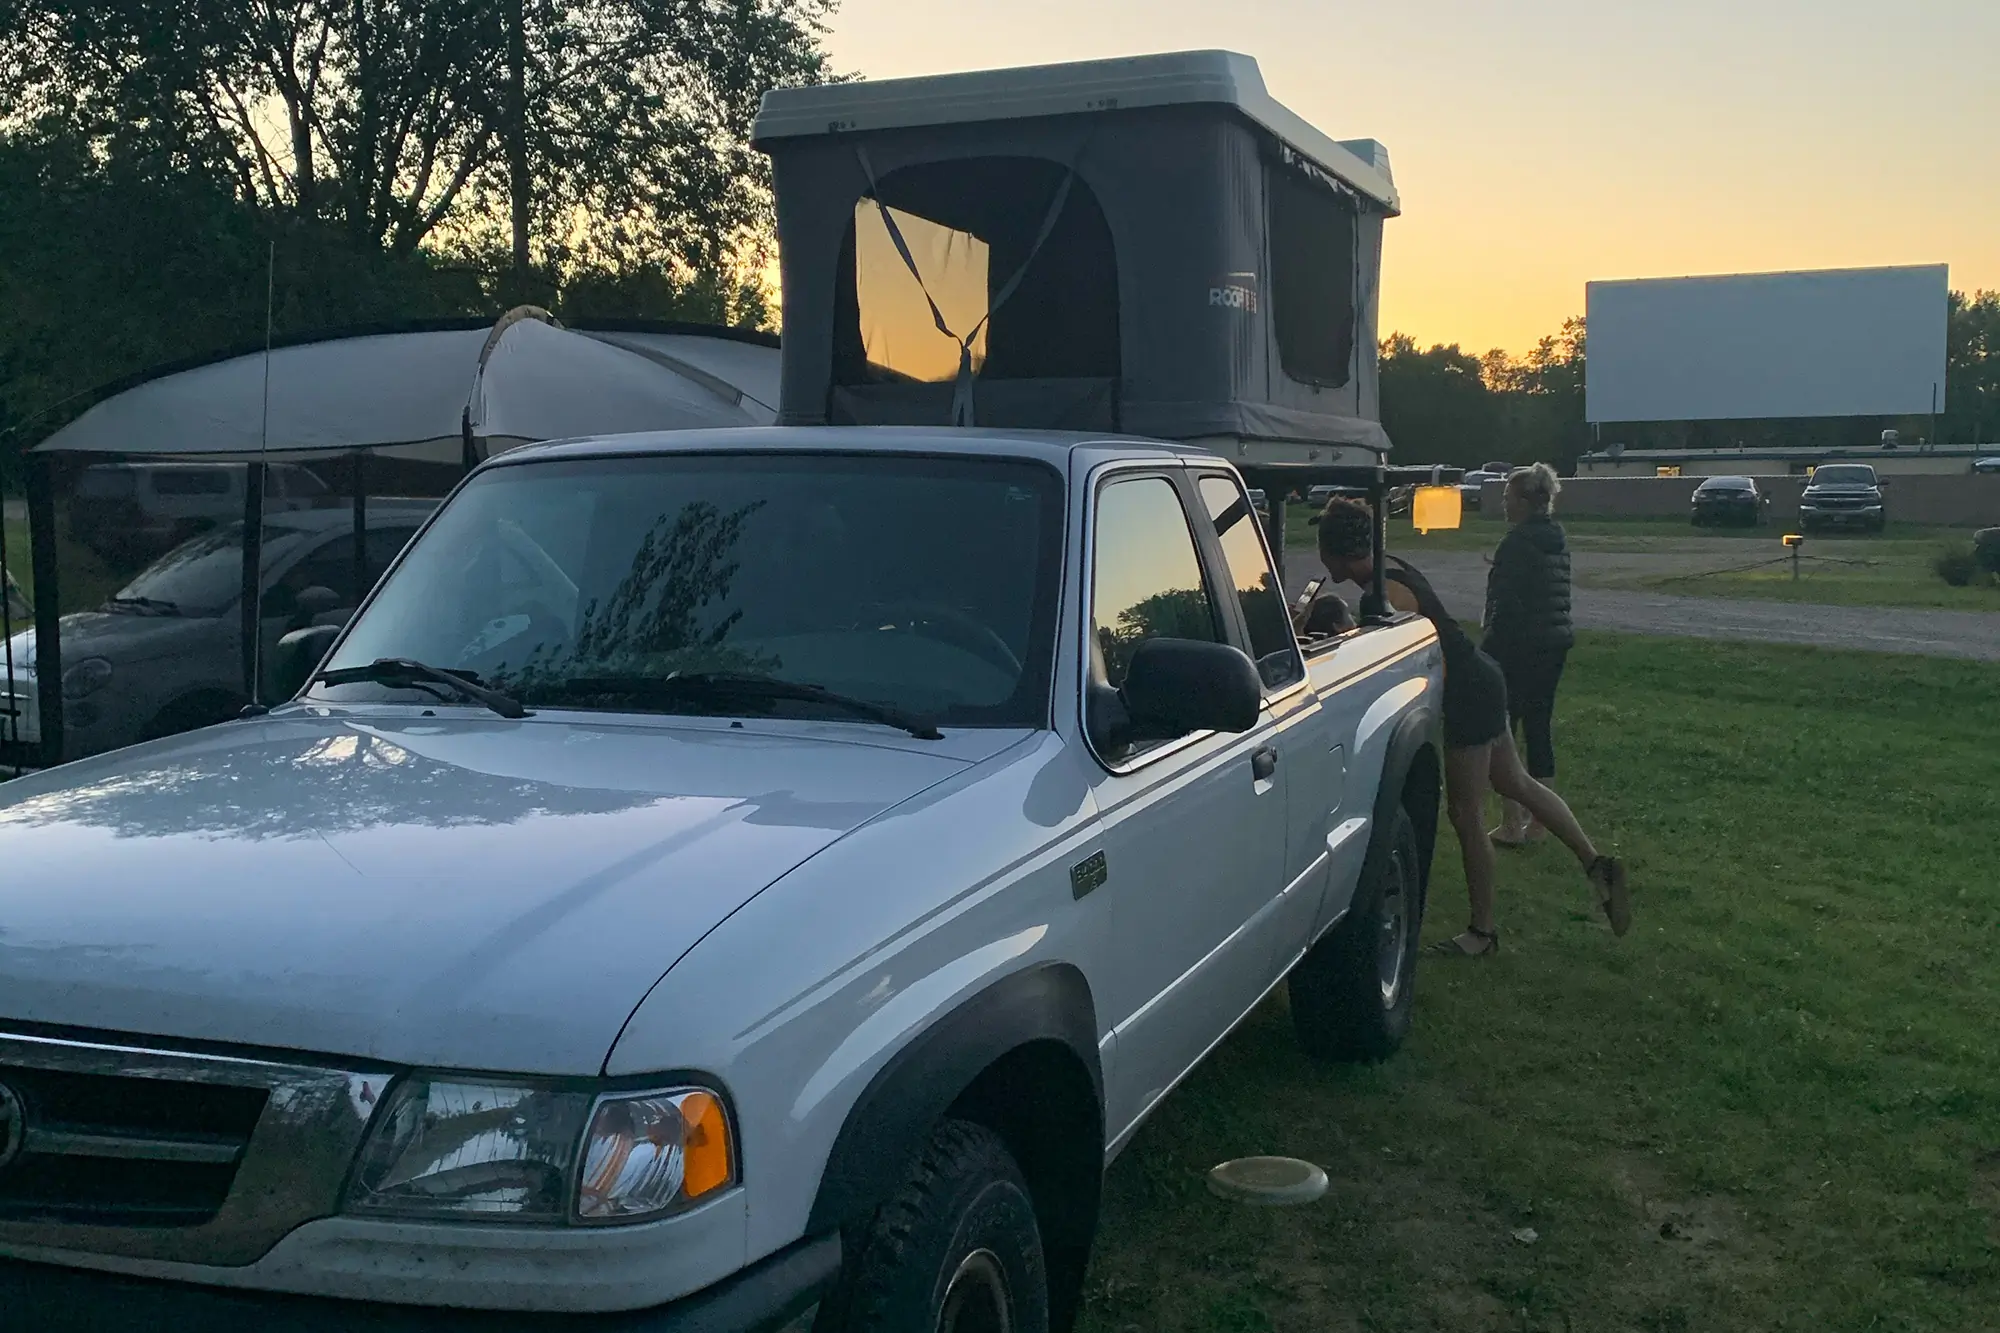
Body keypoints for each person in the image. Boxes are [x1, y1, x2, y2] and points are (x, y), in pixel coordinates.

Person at [1309, 496, 1629, 955]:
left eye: (1322, 547)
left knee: (1465, 814)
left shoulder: (1384, 595)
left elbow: (1389, 665)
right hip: (1483, 677)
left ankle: (1482, 933)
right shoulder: (1390, 571)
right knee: (1515, 782)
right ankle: (1597, 865)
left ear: (1336, 551)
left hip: (1468, 694)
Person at [1482, 464, 1574, 846]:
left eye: (1507, 496)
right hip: (1553, 642)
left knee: (1505, 731)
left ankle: (1511, 821)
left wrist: (1485, 651)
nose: (1504, 503)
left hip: (1518, 646)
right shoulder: (1556, 536)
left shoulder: (1516, 543)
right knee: (1539, 728)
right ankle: (1540, 823)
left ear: (1523, 501)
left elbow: (1506, 605)